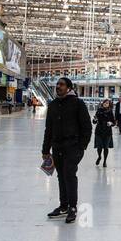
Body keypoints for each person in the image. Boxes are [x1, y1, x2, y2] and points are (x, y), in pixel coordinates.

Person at [41, 76, 92, 224]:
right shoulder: (53, 105)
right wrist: (45, 150)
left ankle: (72, 207)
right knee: (61, 176)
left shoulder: (77, 103)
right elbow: (48, 129)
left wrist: (81, 146)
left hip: (73, 147)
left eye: (61, 84)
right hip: (57, 147)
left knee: (69, 175)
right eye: (57, 84)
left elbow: (87, 127)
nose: (58, 86)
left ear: (69, 88)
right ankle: (63, 206)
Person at [93, 99, 115, 167]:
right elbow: (94, 122)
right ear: (102, 104)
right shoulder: (99, 110)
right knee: (99, 147)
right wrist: (95, 119)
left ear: (109, 105)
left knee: (106, 147)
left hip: (107, 131)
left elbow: (114, 122)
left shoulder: (110, 112)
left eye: (107, 103)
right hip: (99, 131)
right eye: (105, 103)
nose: (106, 104)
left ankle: (105, 161)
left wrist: (110, 123)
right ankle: (99, 157)